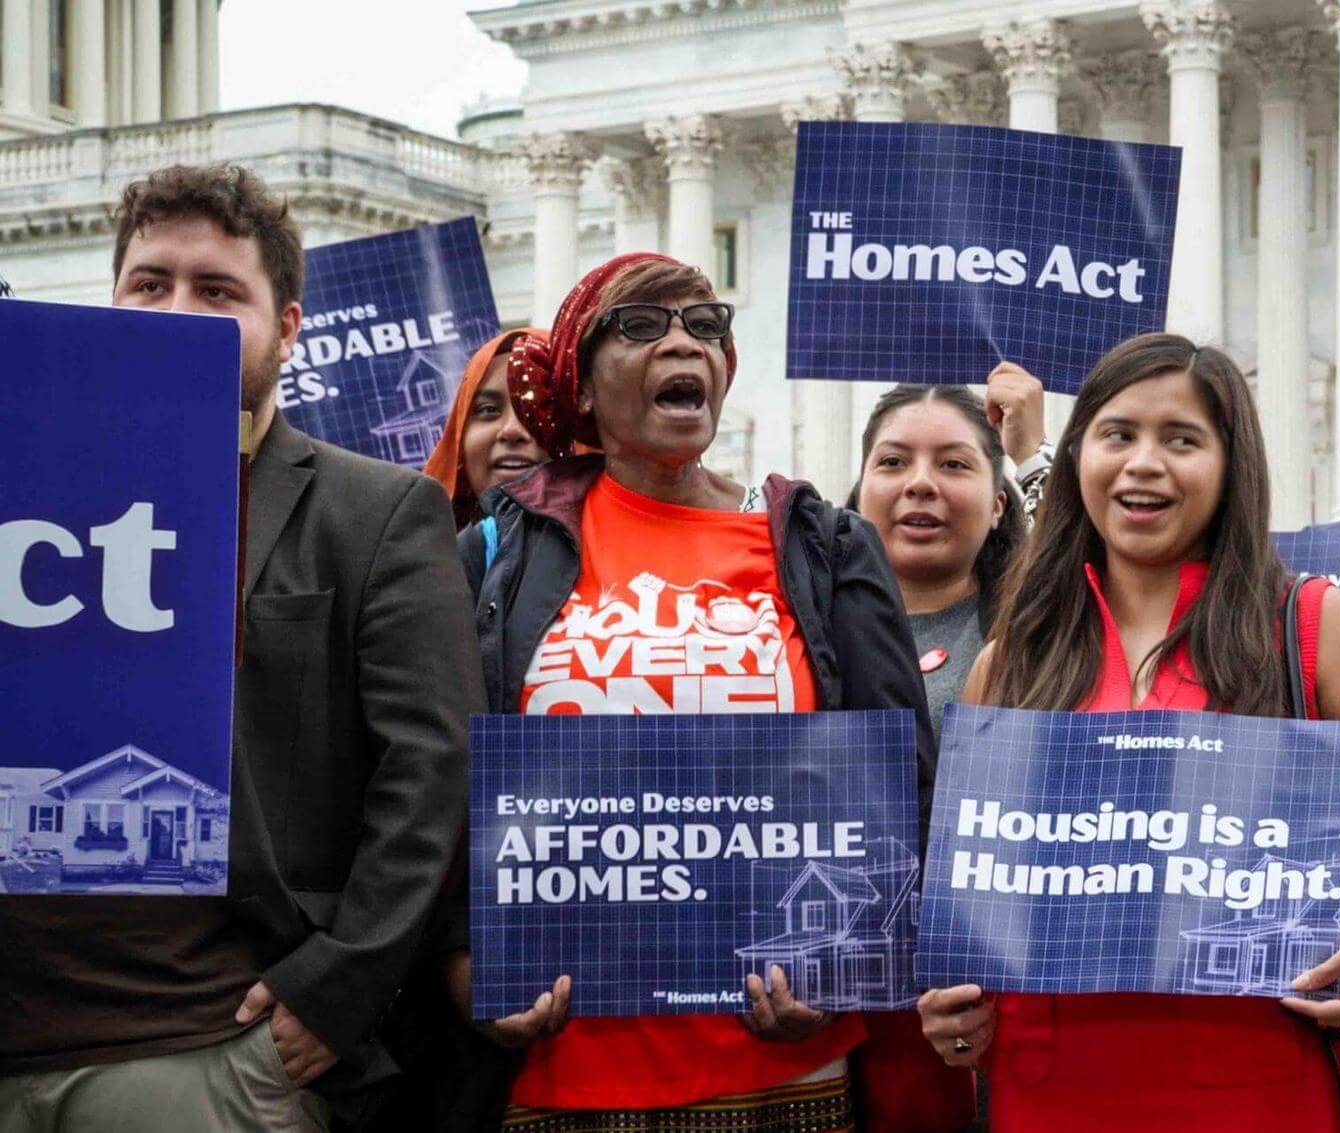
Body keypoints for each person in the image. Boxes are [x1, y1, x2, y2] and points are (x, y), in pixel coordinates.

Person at [0, 164, 485, 1133]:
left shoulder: (374, 514)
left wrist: (333, 989)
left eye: (217, 291)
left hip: (201, 1051)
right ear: (112, 300)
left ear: (288, 328)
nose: (177, 311)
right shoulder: (25, 489)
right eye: (150, 283)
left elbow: (433, 771)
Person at [446, 251, 970, 1132]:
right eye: (641, 325)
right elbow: (443, 787)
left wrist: (843, 963)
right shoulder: (499, 554)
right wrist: (462, 965)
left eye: (705, 324)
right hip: (569, 1074)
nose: (682, 340)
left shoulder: (823, 545)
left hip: (784, 1073)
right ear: (580, 380)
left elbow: (899, 787)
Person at [915, 332, 1340, 1132]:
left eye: (1182, 439)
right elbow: (980, 889)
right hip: (1047, 1088)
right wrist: (953, 1005)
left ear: (1229, 466)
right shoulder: (1009, 662)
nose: (1145, 462)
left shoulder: (1315, 626)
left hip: (1263, 1083)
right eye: (1118, 434)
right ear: (1078, 458)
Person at [848, 380, 1033, 737]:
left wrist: (1032, 454)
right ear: (860, 494)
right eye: (892, 461)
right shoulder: (801, 630)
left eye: (953, 464)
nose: (920, 483)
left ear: (998, 505)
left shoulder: (1036, 633)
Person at [424, 326, 552, 529]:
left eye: (539, 408)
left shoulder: (610, 551)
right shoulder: (424, 555)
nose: (512, 430)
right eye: (488, 409)